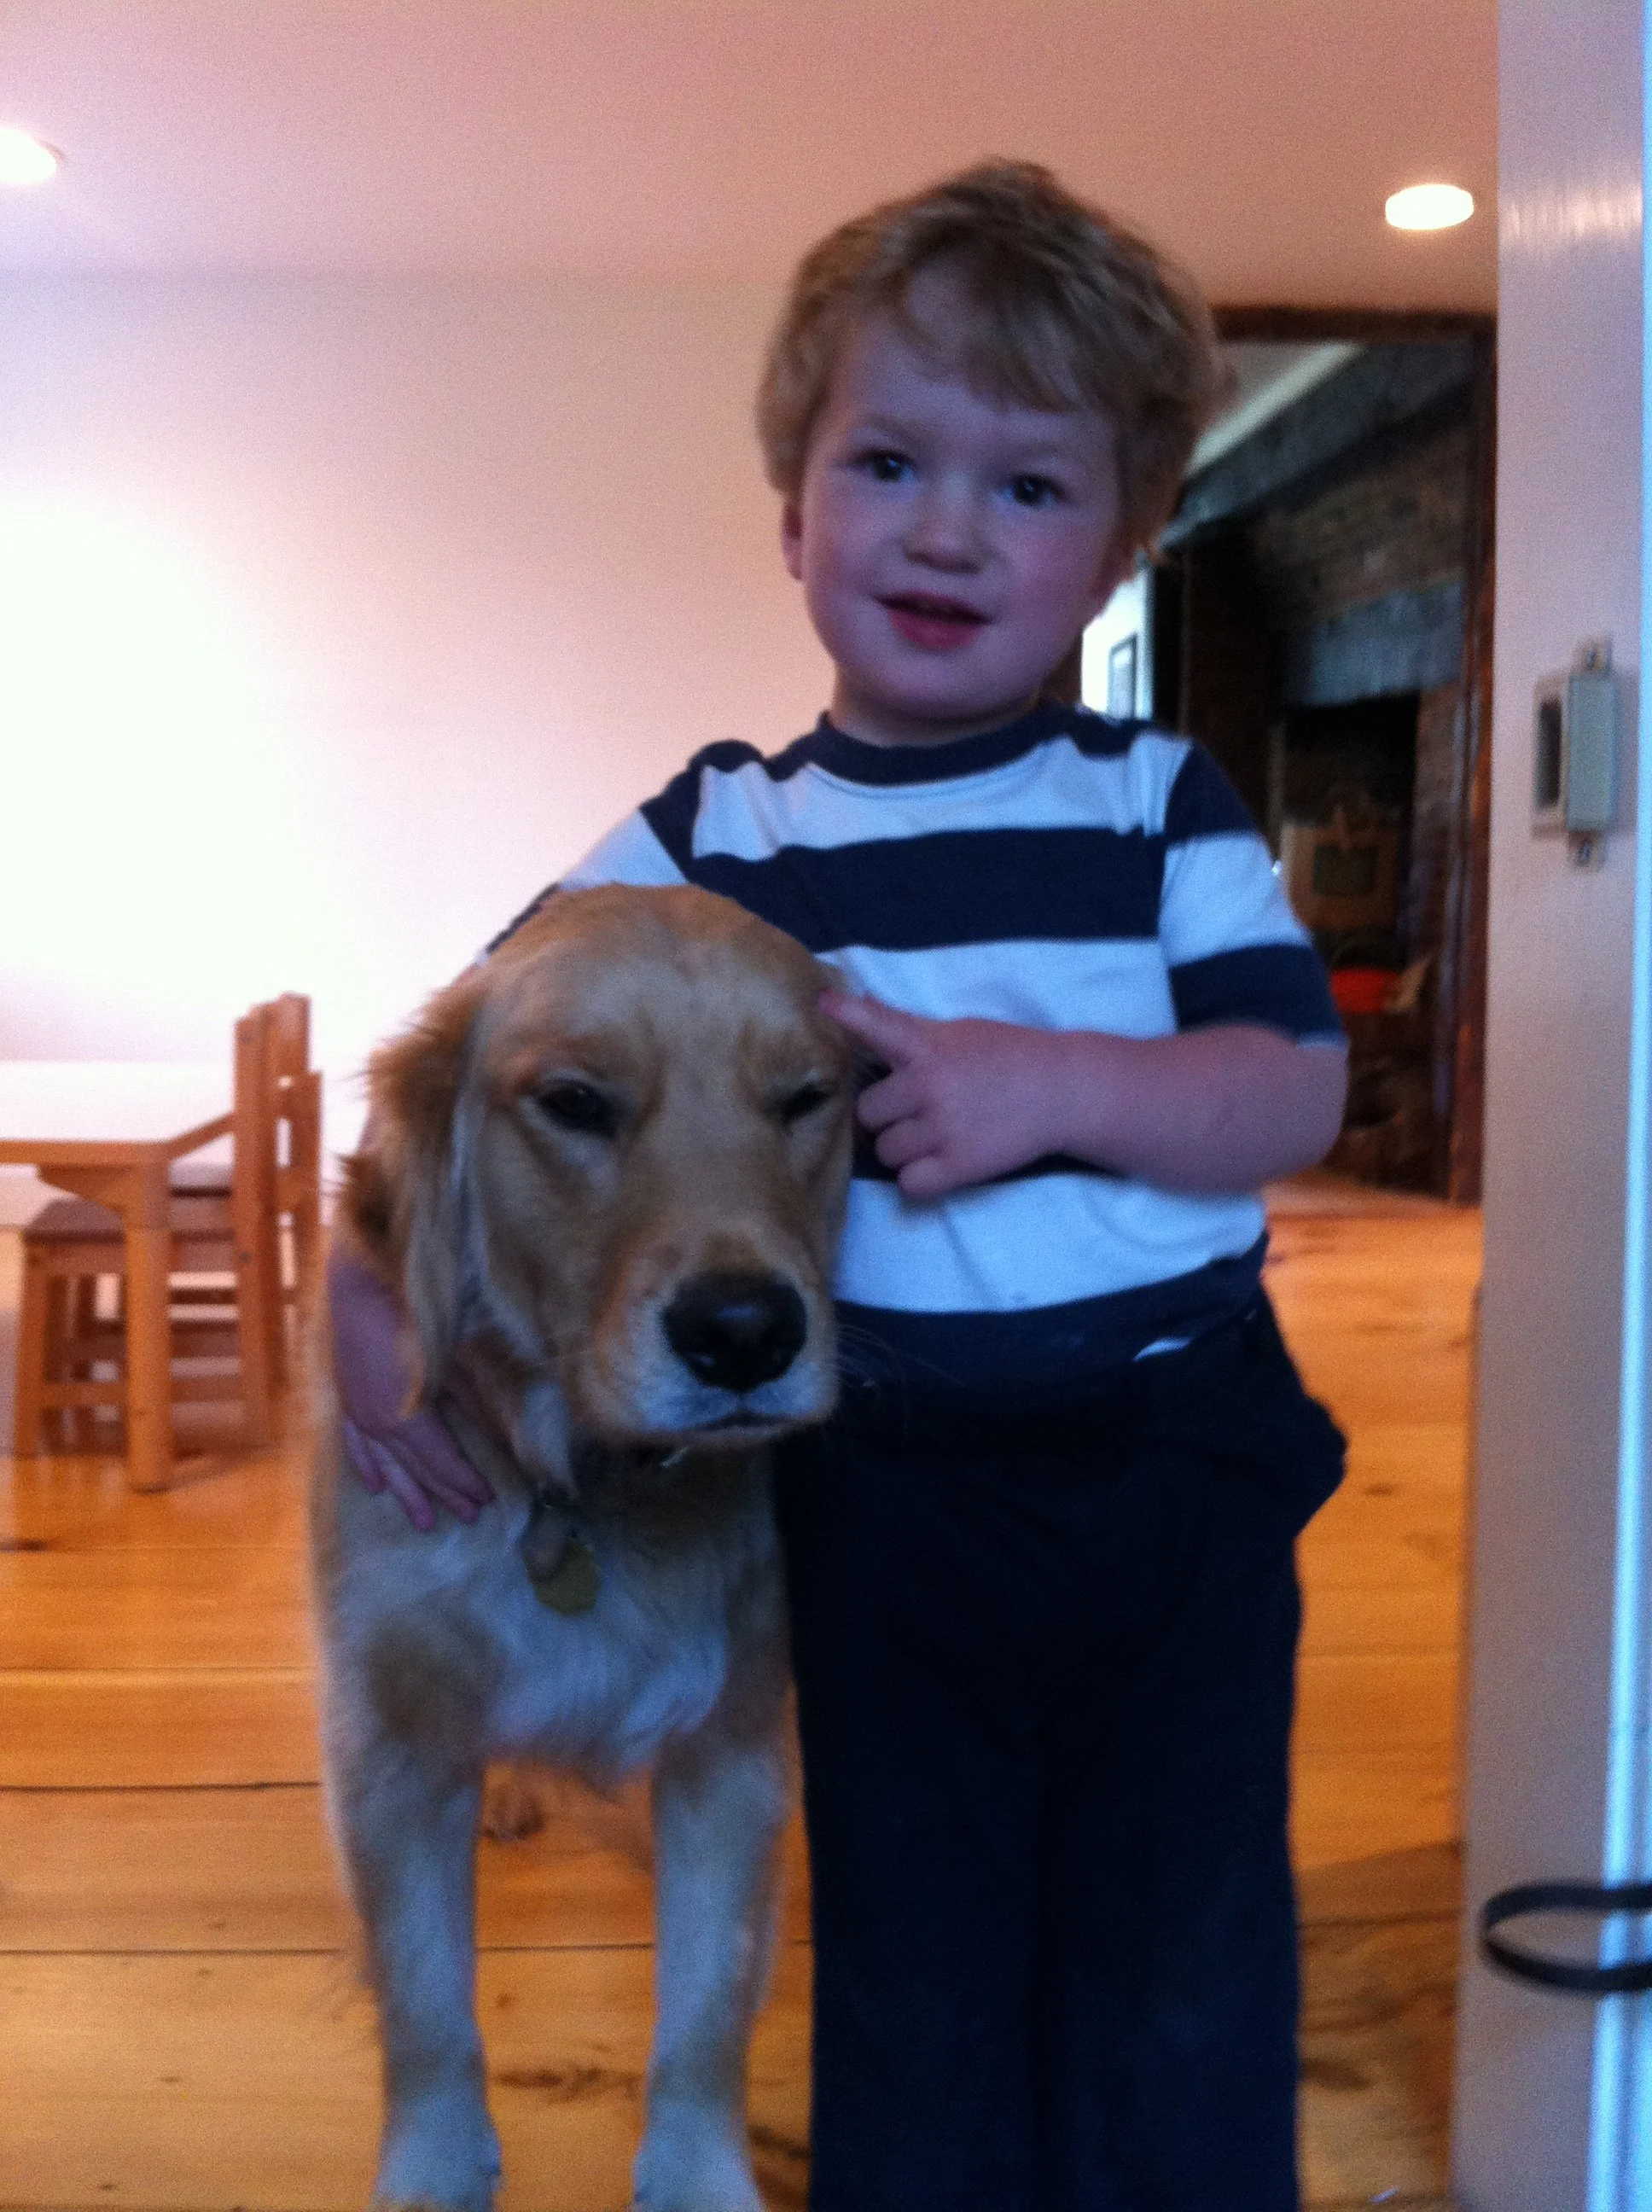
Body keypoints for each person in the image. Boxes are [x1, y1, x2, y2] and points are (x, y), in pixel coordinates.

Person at [331, 160, 1349, 2212]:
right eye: (888, 461)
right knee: (912, 1935)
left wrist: (1047, 1084)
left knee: (1185, 1931)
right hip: (886, 1483)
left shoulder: (1159, 797)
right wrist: (368, 1294)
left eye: (1029, 486)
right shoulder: (726, 819)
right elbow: (481, 1039)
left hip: (1176, 1460)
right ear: (793, 510)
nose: (948, 526)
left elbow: (1288, 1089)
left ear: (1122, 546)